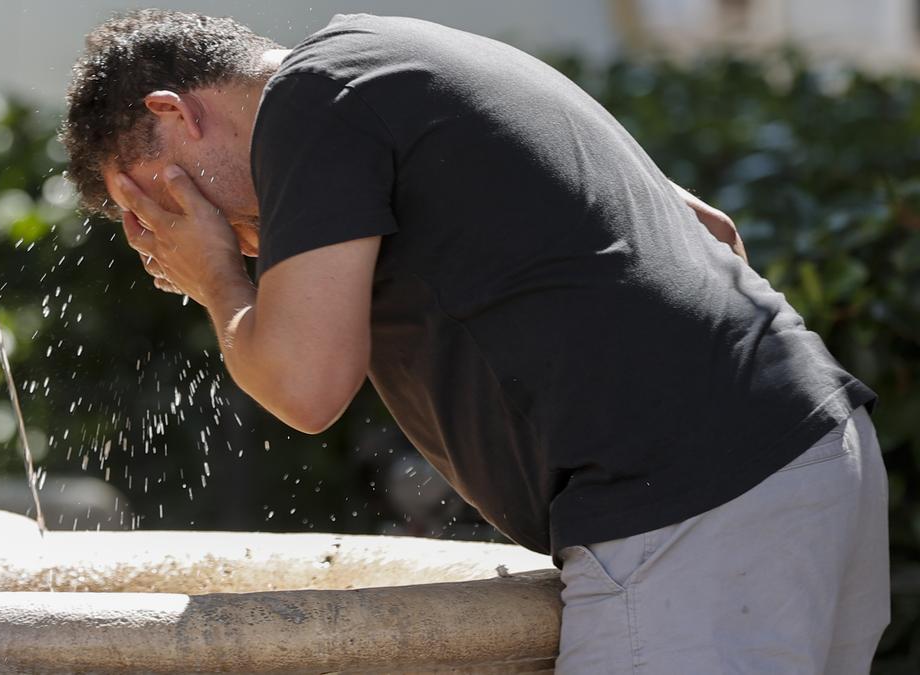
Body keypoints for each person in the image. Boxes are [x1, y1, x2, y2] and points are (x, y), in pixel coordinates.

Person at [61, 10, 888, 673]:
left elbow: (307, 387)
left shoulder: (309, 104)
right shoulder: (399, 58)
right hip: (810, 454)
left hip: (690, 509)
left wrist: (215, 279)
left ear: (174, 114)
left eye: (157, 201)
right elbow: (711, 228)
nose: (165, 232)